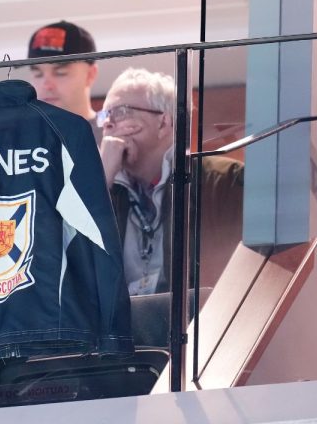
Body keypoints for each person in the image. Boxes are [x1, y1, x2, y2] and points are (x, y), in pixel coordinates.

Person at [99, 67, 244, 296]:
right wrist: (99, 179)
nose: (107, 123)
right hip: (125, 320)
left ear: (163, 123)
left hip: (199, 317)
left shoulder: (226, 182)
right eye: (105, 115)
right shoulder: (106, 187)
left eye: (121, 112)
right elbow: (63, 261)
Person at [27, 20, 103, 144]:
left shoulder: (117, 138)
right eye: (38, 74)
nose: (46, 85)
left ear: (90, 75)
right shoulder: (19, 142)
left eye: (60, 73)